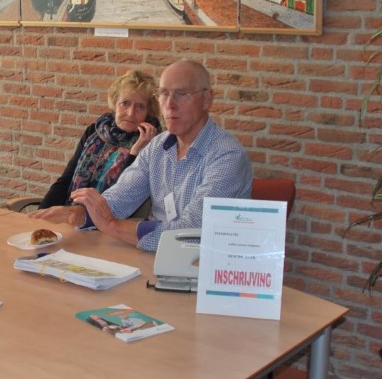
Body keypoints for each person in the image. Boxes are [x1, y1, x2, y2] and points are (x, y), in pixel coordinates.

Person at [31, 59, 252, 251]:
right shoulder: (157, 146)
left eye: (182, 94)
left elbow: (189, 231)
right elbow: (120, 198)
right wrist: (79, 215)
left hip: (205, 267)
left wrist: (111, 225)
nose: (170, 105)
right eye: (164, 94)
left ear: (207, 99)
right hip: (155, 259)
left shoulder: (227, 156)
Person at [36, 69, 161, 209]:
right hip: (70, 212)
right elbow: (66, 180)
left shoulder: (153, 144)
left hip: (111, 218)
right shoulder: (95, 132)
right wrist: (39, 214)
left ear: (148, 112)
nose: (131, 113)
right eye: (125, 103)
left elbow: (123, 195)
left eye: (140, 106)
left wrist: (135, 153)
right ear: (115, 104)